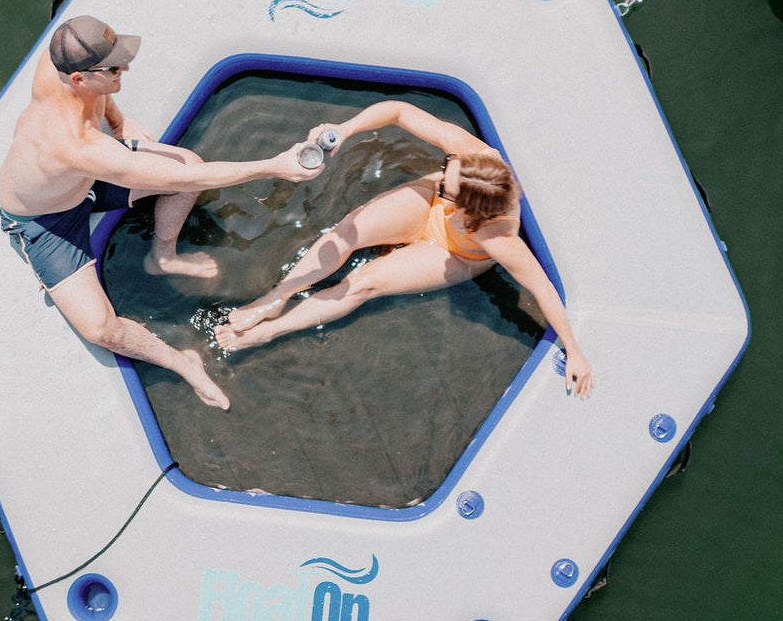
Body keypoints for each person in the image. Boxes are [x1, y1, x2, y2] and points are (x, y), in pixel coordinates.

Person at [0, 15, 323, 410]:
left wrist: (117, 124)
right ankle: (181, 361)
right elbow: (192, 178)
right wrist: (274, 166)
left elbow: (107, 101)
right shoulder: (77, 145)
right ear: (80, 79)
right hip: (46, 224)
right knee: (101, 329)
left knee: (186, 164)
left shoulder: (62, 61)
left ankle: (162, 256)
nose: (126, 70)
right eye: (114, 68)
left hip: (83, 183)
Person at [213, 100, 594, 398]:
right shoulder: (470, 154)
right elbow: (398, 111)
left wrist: (573, 349)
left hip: (457, 253)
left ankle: (271, 330)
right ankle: (275, 297)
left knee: (366, 282)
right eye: (448, 169)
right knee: (348, 230)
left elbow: (542, 288)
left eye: (449, 186)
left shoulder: (498, 237)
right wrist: (345, 129)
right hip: (430, 209)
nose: (443, 175)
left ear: (472, 210)